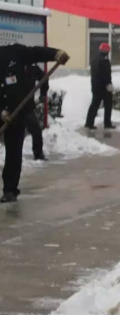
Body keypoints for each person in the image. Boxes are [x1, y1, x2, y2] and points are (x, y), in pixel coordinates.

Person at [1, 44, 69, 203]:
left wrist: (56, 53)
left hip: (18, 111)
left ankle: (10, 190)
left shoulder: (14, 52)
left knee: (14, 151)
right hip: (2, 109)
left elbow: (35, 52)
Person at [85, 42, 114, 130]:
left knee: (94, 105)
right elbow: (105, 75)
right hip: (104, 87)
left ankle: (89, 123)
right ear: (106, 51)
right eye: (108, 51)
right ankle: (107, 123)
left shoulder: (94, 60)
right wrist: (108, 85)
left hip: (95, 87)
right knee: (108, 105)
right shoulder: (105, 60)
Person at [24, 64, 49, 160]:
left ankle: (38, 154)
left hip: (27, 107)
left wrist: (43, 94)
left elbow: (44, 78)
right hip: (10, 107)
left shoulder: (33, 67)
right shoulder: (12, 66)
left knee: (36, 131)